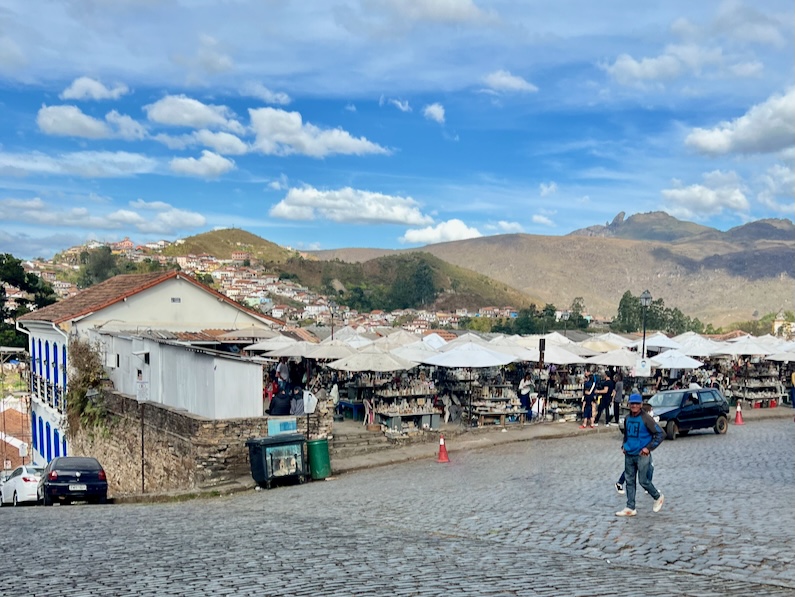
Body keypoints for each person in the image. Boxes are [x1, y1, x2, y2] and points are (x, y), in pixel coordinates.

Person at [616, 394, 664, 516]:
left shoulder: (646, 418)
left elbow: (660, 434)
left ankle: (657, 497)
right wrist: (624, 445)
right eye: (632, 403)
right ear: (629, 405)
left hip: (642, 455)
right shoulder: (627, 418)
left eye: (637, 403)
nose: (634, 406)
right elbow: (626, 434)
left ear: (641, 405)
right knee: (629, 480)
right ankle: (630, 507)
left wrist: (649, 448)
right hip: (629, 454)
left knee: (643, 481)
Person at [615, 402, 654, 494]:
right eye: (651, 410)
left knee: (637, 468)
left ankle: (647, 486)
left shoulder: (645, 419)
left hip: (644, 448)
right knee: (645, 467)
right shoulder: (642, 419)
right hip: (640, 449)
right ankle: (648, 487)